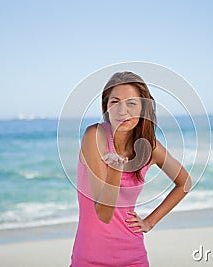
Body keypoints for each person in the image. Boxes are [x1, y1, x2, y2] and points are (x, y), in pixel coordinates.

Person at [70, 71, 192, 266]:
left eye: (131, 103)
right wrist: (116, 171)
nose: (122, 111)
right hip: (90, 257)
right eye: (114, 102)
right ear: (106, 107)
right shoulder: (94, 136)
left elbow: (184, 183)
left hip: (133, 256)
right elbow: (103, 212)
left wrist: (150, 222)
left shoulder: (150, 147)